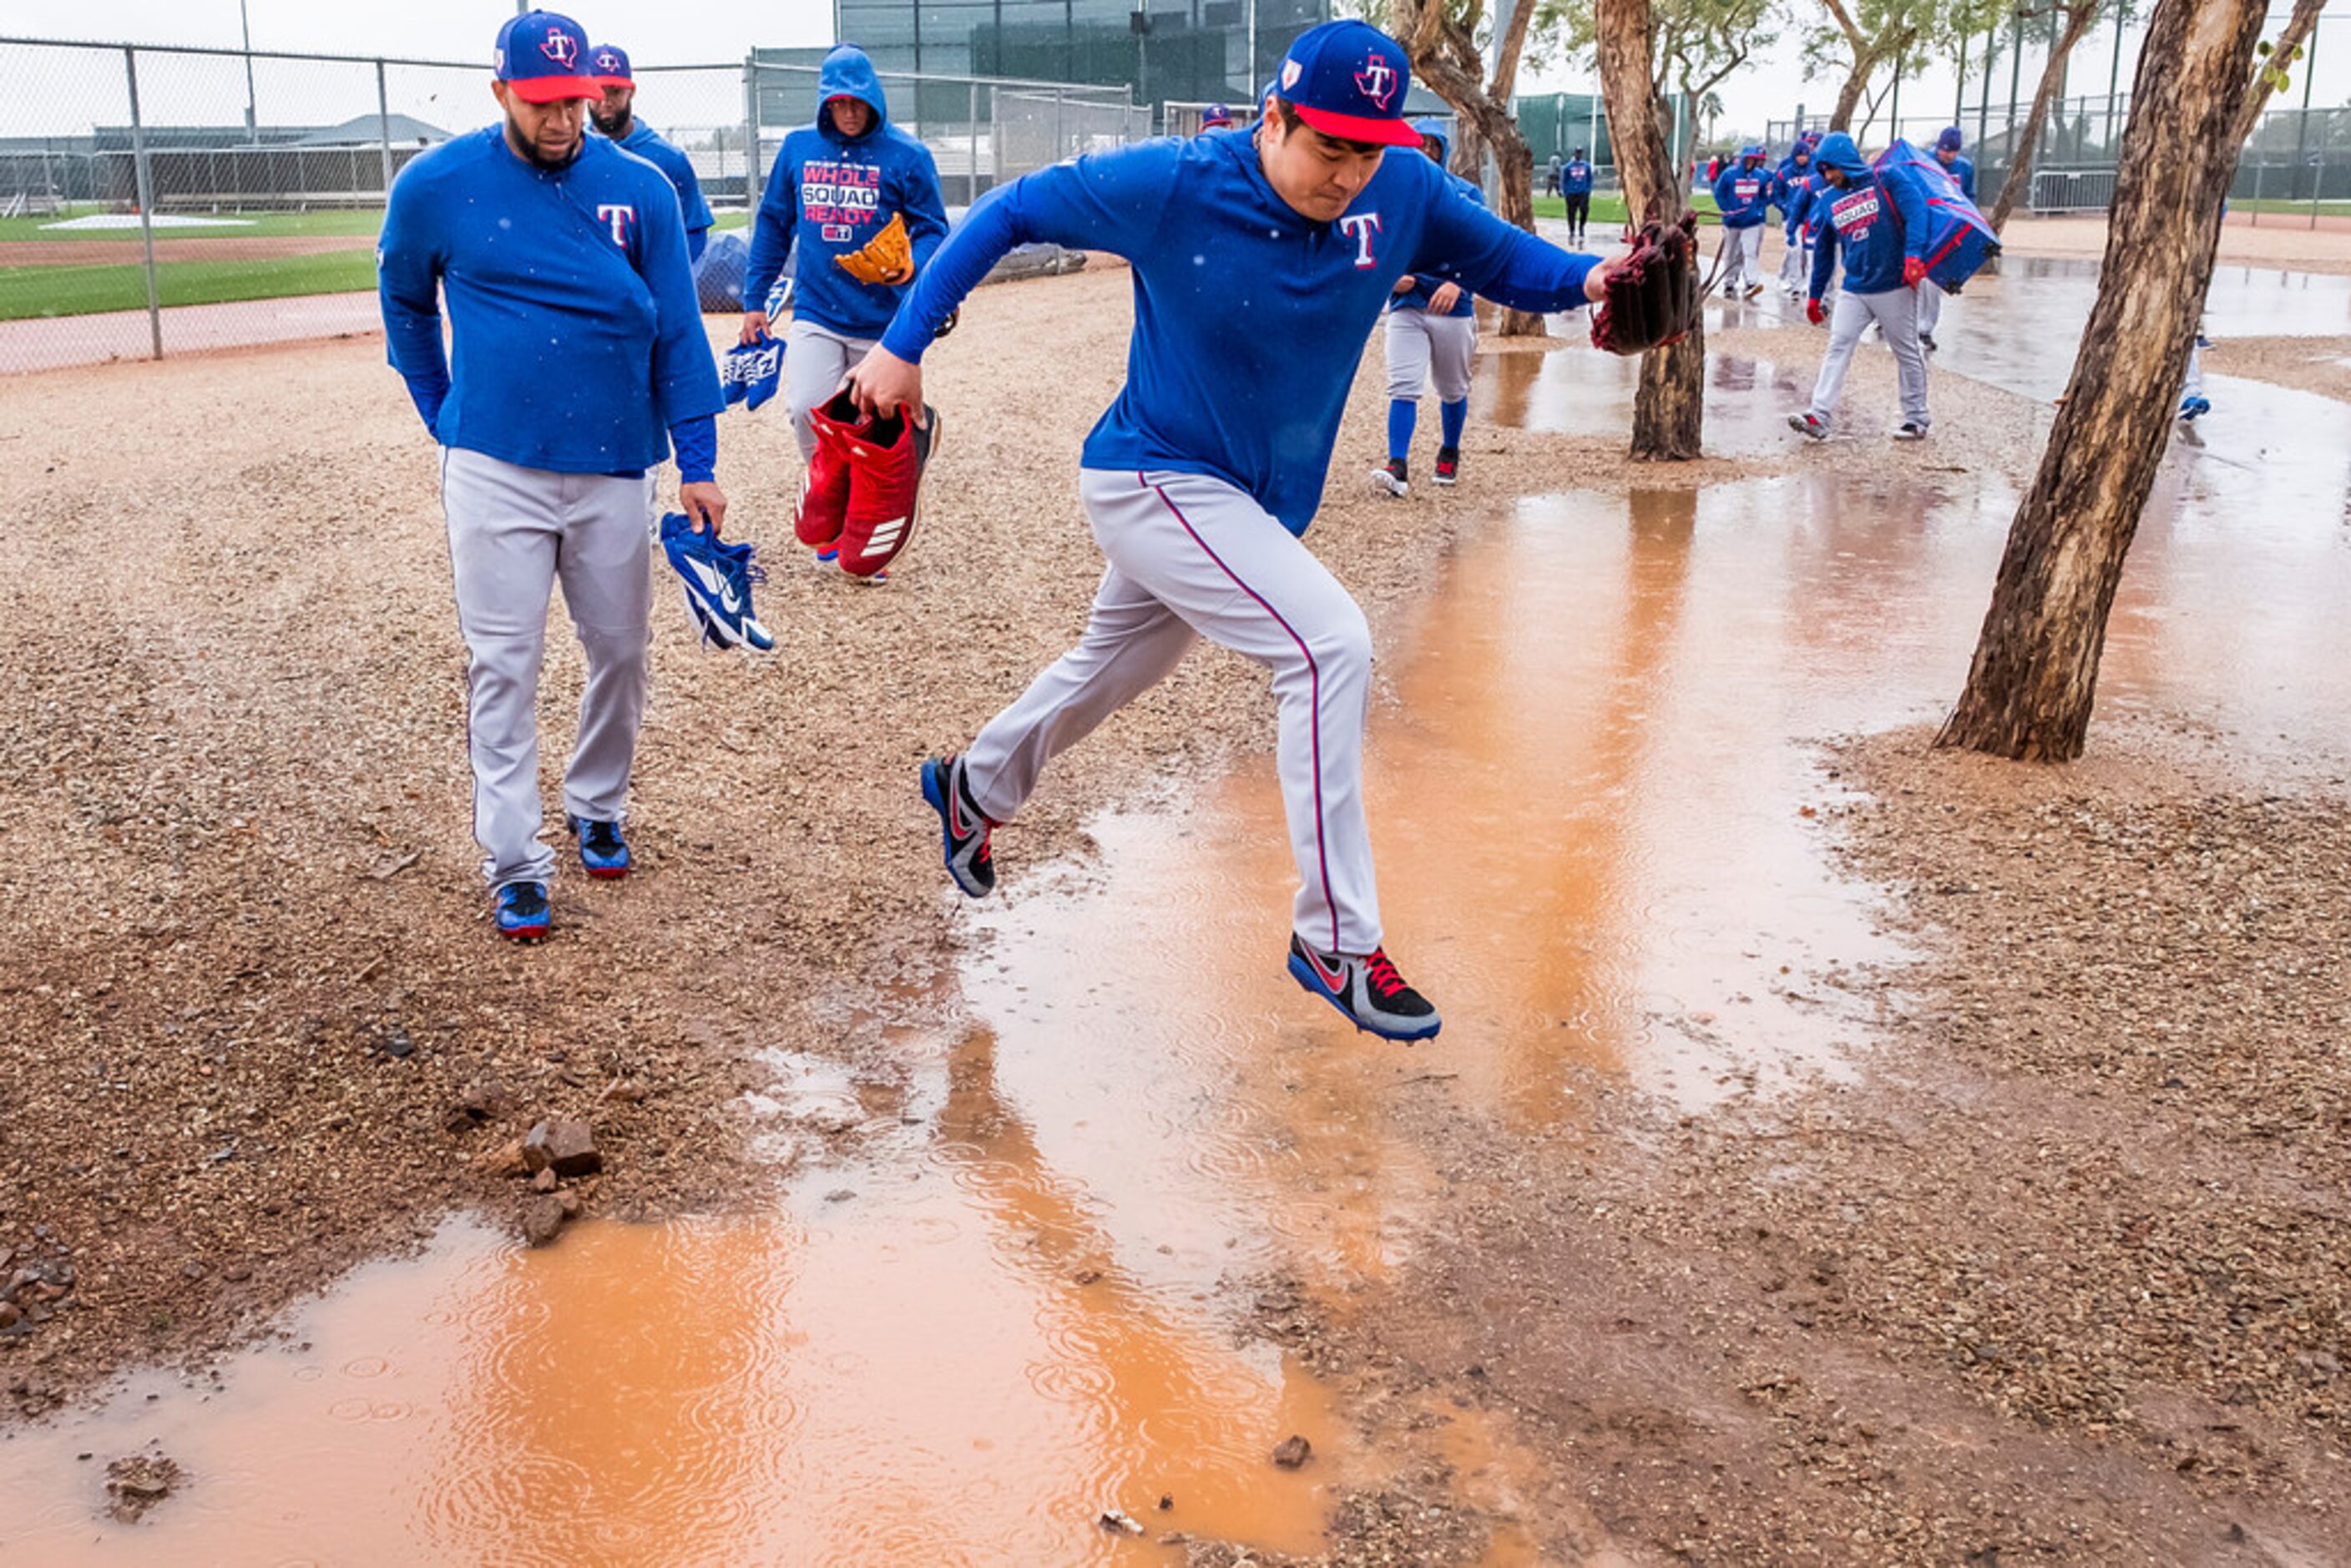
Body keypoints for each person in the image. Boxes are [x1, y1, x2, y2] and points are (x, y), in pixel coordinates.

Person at [851, 19, 1616, 1041]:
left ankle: (972, 788)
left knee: (1109, 667)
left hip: (1241, 505)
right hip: (1151, 476)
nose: (1348, 173)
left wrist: (1592, 280)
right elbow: (1009, 211)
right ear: (1274, 117)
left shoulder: (1403, 187)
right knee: (1326, 644)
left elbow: (1507, 262)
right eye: (1329, 145)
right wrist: (904, 345)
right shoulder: (1174, 182)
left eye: (1367, 148)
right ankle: (1334, 938)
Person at [377, 9, 726, 941]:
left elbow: (681, 334)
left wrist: (699, 461)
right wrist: (443, 414)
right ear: (500, 93)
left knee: (620, 652)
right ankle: (515, 861)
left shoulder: (640, 189)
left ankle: (597, 800)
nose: (561, 119)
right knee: (505, 663)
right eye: (539, 103)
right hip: (494, 468)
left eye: (573, 101)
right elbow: (405, 306)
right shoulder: (436, 185)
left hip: (615, 463)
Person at [741, 43, 950, 463]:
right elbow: (774, 224)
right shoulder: (799, 147)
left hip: (884, 315)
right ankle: (826, 480)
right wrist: (754, 299)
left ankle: (912, 433)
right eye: (839, 104)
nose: (850, 113)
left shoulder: (908, 155)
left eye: (858, 102)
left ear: (874, 98)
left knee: (878, 418)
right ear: (825, 103)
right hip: (817, 309)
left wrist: (912, 264)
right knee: (805, 407)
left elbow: (933, 230)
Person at [1787, 131, 1932, 443]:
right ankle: (1819, 416)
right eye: (1822, 170)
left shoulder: (1888, 180)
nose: (1827, 176)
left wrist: (1914, 254)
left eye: (1830, 169)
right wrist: (1815, 295)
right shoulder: (1828, 199)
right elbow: (1824, 250)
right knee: (1838, 345)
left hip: (1894, 284)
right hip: (1854, 288)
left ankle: (1916, 418)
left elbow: (1917, 211)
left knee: (1905, 350)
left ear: (1844, 162)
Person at [1374, 118, 1482, 498]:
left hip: (1452, 308)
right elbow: (1379, 249)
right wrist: (1391, 277)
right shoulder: (1393, 197)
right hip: (1408, 306)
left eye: (1432, 147)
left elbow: (1481, 250)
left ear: (1443, 152)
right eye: (1417, 147)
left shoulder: (1465, 194)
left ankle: (1450, 450)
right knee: (1403, 383)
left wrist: (1458, 283)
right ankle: (1397, 463)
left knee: (1452, 388)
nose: (1425, 154)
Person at [586, 43, 713, 262]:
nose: (606, 102)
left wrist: (662, 277)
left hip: (647, 287)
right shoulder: (569, 155)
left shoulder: (668, 159)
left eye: (615, 92)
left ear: (631, 92)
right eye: (597, 92)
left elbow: (694, 231)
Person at [1916, 125, 1976, 350]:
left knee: (1933, 281)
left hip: (1949, 228)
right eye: (1944, 150)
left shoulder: (1964, 167)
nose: (1947, 155)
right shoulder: (1925, 162)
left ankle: (1925, 329)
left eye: (1952, 151)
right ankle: (1892, 322)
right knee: (1912, 276)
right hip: (1926, 223)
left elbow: (1969, 196)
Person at [1711, 142, 1772, 299]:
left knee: (1750, 252)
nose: (1751, 163)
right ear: (1743, 159)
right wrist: (1727, 209)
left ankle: (1751, 281)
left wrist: (1758, 209)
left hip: (1751, 222)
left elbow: (1764, 195)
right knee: (1730, 252)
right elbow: (1719, 193)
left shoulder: (1760, 175)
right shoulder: (1729, 174)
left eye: (1754, 160)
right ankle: (1729, 282)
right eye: (1749, 159)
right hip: (1732, 223)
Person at [1772, 134, 1816, 297]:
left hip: (1808, 217)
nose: (1803, 158)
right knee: (1794, 250)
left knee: (1807, 253)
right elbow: (1776, 195)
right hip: (1790, 218)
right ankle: (1793, 281)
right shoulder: (1784, 173)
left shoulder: (1813, 171)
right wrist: (1784, 207)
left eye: (1805, 155)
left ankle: (1805, 282)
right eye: (1800, 155)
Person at [1561, 146, 1594, 246]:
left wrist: (1588, 190)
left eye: (1580, 153)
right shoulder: (1568, 167)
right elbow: (1564, 180)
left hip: (1583, 192)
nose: (1578, 154)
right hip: (1571, 193)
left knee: (1584, 210)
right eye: (1577, 152)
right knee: (1571, 212)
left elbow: (1590, 179)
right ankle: (1572, 230)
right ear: (1574, 153)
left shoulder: (1586, 166)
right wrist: (1566, 191)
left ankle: (1581, 227)